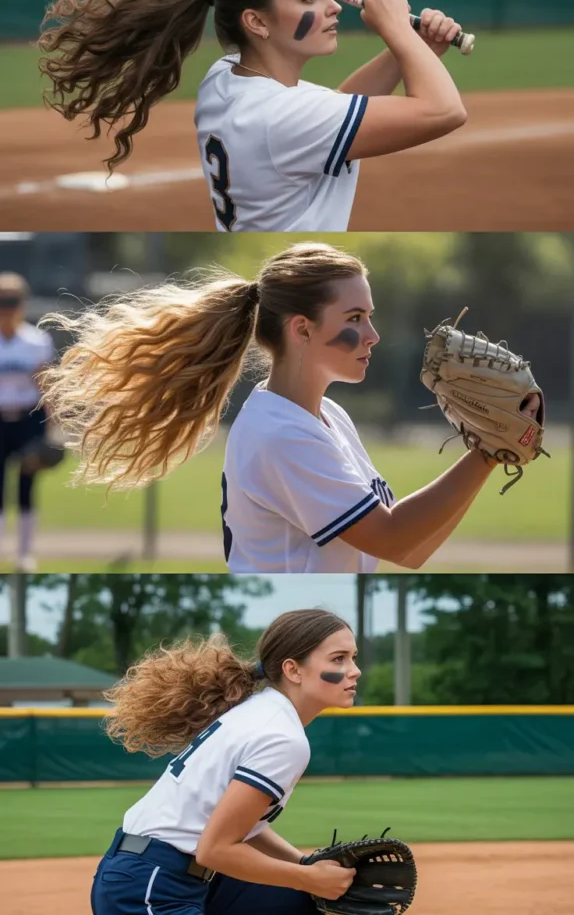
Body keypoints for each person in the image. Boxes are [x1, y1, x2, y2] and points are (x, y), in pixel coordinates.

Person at [38, 242, 542, 575]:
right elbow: (392, 537)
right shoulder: (281, 433)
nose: (372, 334)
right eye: (355, 317)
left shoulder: (326, 417)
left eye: (370, 316)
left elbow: (409, 551)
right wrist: (484, 453)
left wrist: (492, 449)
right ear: (301, 328)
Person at [39, 0, 467, 233]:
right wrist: (395, 29)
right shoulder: (284, 117)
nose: (333, 7)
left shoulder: (226, 79)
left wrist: (412, 49)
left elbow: (336, 109)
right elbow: (445, 111)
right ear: (257, 22)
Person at [91, 608, 359, 915]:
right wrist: (308, 877)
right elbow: (215, 849)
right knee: (302, 889)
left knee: (296, 903)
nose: (354, 670)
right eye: (339, 659)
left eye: (353, 657)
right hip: (151, 887)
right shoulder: (282, 737)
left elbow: (243, 826)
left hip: (157, 872)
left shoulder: (260, 711)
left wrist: (302, 864)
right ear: (293, 670)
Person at [0, 273, 55, 573]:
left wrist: (53, 426)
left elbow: (46, 386)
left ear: (22, 304)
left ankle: (24, 554)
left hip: (28, 418)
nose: (6, 307)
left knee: (25, 486)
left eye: (12, 301)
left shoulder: (36, 341)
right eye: (1, 301)